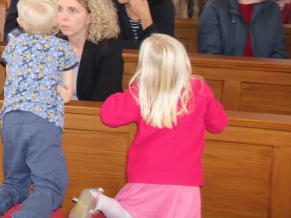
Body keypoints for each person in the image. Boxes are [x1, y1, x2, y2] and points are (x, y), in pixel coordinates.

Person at [74, 35, 227, 218]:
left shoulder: (142, 92)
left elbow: (109, 115)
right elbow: (219, 124)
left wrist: (127, 92)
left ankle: (101, 201)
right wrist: (208, 100)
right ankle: (101, 202)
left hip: (145, 173)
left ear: (145, 66)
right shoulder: (198, 89)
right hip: (184, 178)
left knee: (130, 213)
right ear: (183, 61)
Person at [0, 0, 75, 218]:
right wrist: (64, 93)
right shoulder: (62, 47)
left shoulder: (13, 45)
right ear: (55, 22)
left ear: (21, 22)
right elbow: (67, 88)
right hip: (43, 122)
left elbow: (12, 71)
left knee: (14, 183)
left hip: (12, 121)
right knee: (49, 185)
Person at [57, 0, 122, 101]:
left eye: (73, 11)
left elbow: (103, 100)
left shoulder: (107, 50)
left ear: (90, 17)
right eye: (59, 9)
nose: (63, 17)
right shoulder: (51, 43)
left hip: (88, 116)